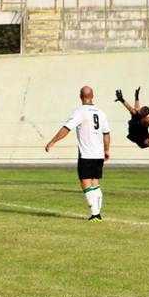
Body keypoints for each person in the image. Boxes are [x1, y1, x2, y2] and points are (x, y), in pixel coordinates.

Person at [45, 86, 110, 221]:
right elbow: (106, 133)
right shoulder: (101, 113)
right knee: (94, 182)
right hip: (98, 154)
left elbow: (66, 128)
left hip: (86, 154)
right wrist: (107, 150)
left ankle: (95, 213)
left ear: (80, 97)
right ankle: (97, 213)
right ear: (93, 96)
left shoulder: (80, 112)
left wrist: (52, 141)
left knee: (85, 182)